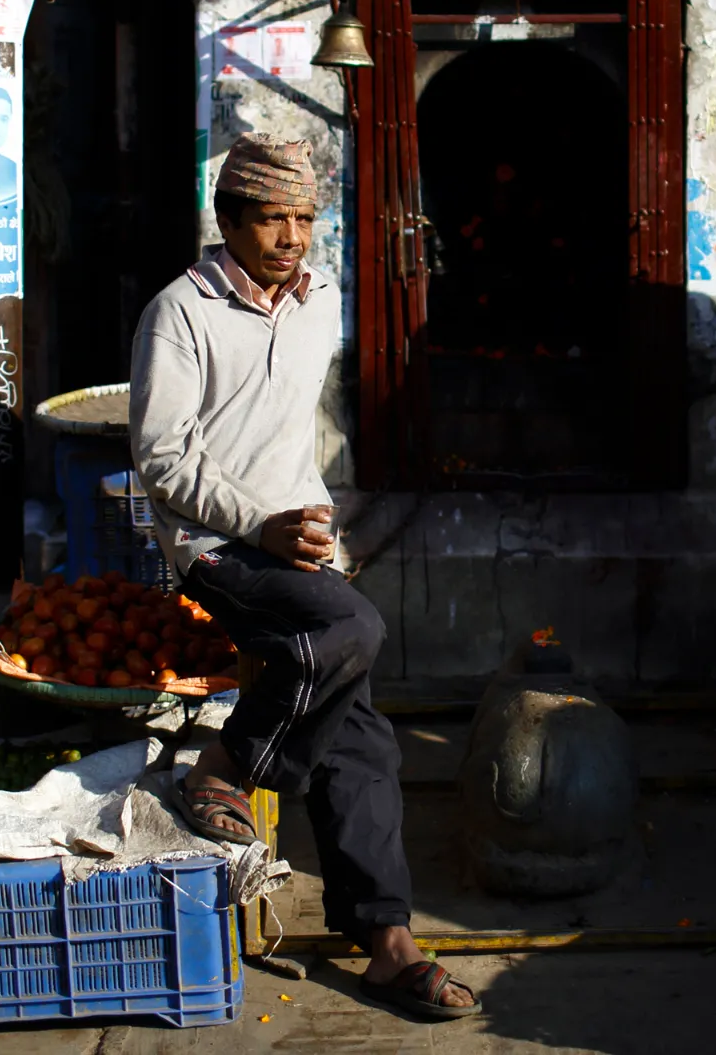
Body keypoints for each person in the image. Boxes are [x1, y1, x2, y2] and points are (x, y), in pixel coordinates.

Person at [130, 134, 479, 1023]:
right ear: (231, 222)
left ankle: (385, 941)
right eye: (272, 219)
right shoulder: (180, 311)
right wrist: (257, 522)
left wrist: (314, 521)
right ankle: (227, 765)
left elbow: (293, 431)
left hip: (300, 544)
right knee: (354, 634)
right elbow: (161, 459)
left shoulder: (322, 298)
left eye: (303, 219)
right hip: (215, 545)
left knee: (359, 736)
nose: (291, 236)